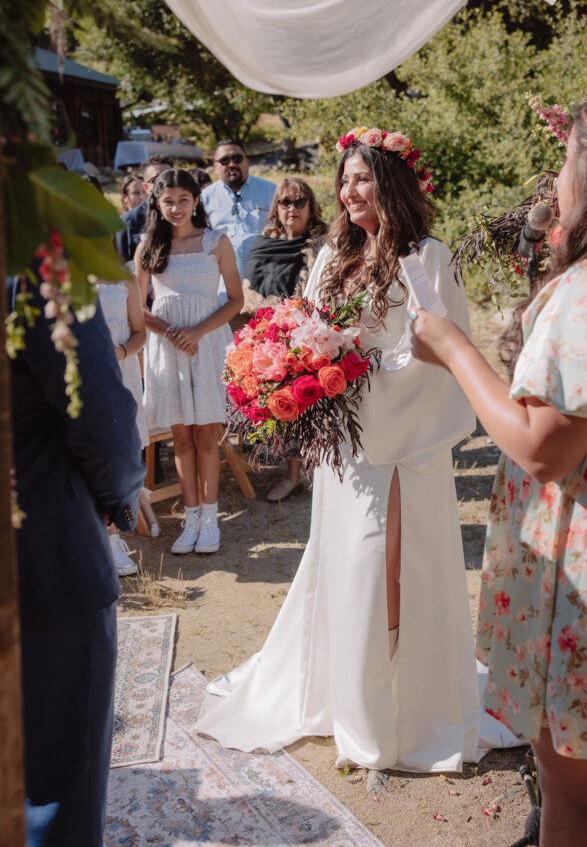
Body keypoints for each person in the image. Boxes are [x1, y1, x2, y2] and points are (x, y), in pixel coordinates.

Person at [197, 126, 518, 771]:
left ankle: (404, 707)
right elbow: (309, 329)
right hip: (345, 439)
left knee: (389, 563)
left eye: (363, 178)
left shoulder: (426, 256)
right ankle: (349, 696)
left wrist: (354, 368)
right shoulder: (330, 255)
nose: (349, 192)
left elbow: (435, 345)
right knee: (350, 560)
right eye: (343, 180)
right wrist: (298, 368)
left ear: (391, 184)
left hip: (403, 440)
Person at [409, 92, 587, 847]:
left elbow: (541, 446)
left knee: (579, 790)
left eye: (564, 163)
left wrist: (451, 348)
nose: (554, 179)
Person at [9, 271, 145, 846]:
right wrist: (121, 496)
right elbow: (97, 411)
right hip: (40, 552)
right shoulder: (34, 266)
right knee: (56, 775)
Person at [135, 169, 244, 555]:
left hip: (208, 343)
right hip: (168, 348)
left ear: (196, 201)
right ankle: (191, 516)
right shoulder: (148, 246)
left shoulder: (216, 242)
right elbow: (138, 305)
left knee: (205, 435)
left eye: (184, 199)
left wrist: (196, 332)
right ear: (157, 204)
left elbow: (235, 300)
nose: (177, 208)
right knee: (180, 437)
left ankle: (211, 517)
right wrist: (169, 332)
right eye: (169, 201)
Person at [243, 177, 328, 501]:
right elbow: (251, 288)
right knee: (285, 403)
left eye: (299, 202)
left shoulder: (321, 243)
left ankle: (309, 473)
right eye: (285, 202)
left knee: (310, 402)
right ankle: (292, 473)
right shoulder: (265, 241)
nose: (291, 209)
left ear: (311, 207)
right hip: (272, 333)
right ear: (276, 208)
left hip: (312, 332)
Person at [96, 271, 154, 572]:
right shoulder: (63, 276)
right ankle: (99, 538)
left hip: (122, 372)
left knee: (118, 456)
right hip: (82, 374)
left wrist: (120, 351)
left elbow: (140, 333)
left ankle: (113, 537)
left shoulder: (123, 278)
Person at [201, 139, 276, 280]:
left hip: (265, 276)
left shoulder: (272, 191)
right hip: (222, 283)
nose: (232, 164)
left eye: (237, 158)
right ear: (215, 167)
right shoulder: (204, 199)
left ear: (247, 161)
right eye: (224, 160)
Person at [116, 154, 176, 263]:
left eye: (168, 177)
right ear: (146, 187)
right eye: (156, 179)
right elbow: (124, 264)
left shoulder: (185, 213)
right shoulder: (129, 221)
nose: (164, 183)